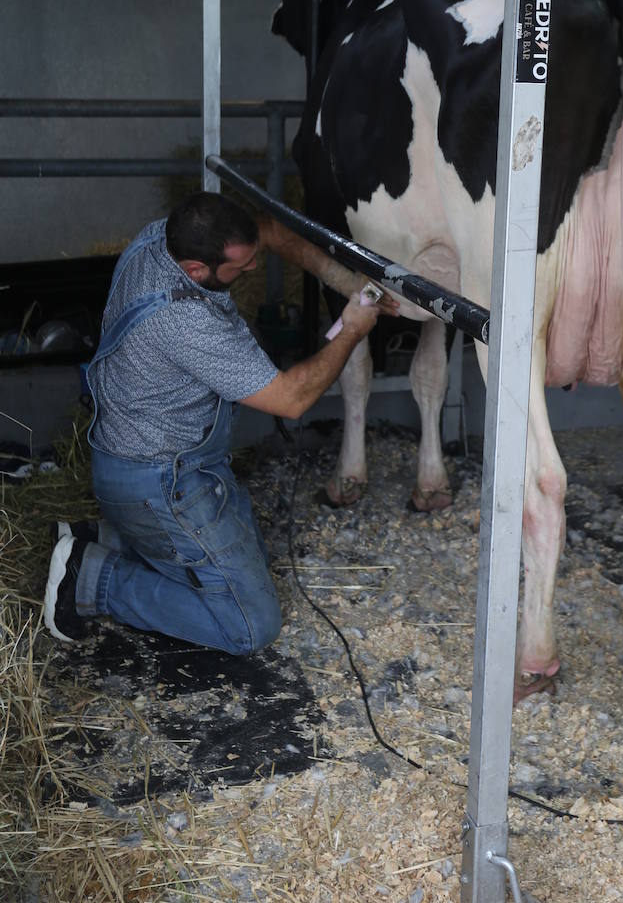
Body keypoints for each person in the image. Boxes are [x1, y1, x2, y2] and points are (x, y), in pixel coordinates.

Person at [42, 191, 396, 655]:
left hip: (154, 463)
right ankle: (91, 578)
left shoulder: (161, 237)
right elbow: (292, 400)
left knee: (252, 562)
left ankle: (106, 535)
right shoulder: (186, 320)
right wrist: (352, 327)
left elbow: (265, 230)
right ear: (196, 271)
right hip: (162, 482)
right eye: (241, 267)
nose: (252, 269)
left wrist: (343, 280)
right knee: (250, 623)